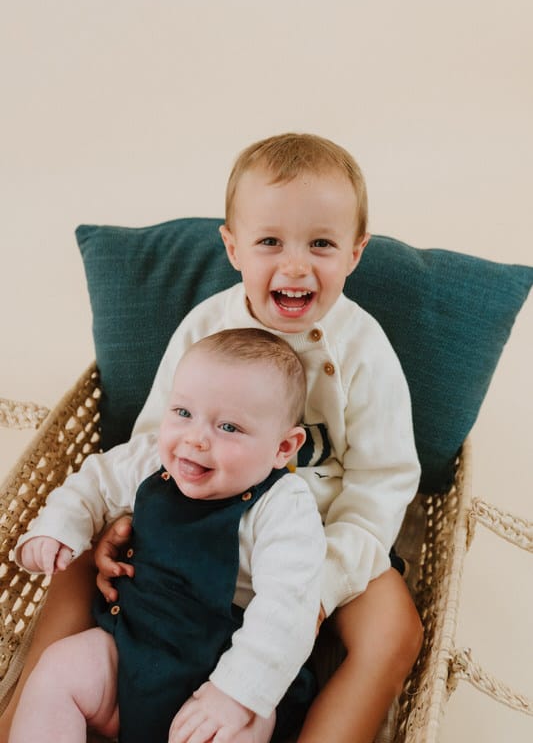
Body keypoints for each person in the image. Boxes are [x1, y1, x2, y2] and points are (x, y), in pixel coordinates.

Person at [2, 132, 424, 743]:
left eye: (322, 244)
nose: (296, 265)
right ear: (233, 247)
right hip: (198, 506)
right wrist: (127, 523)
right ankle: (24, 716)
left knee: (396, 629)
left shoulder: (365, 351)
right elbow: (158, 439)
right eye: (270, 242)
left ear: (356, 253)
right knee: (74, 558)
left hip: (328, 532)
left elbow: (382, 486)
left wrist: (320, 587)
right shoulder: (207, 327)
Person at [9, 329, 326, 743]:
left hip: (220, 668)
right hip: (129, 646)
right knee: (58, 670)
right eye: (182, 413)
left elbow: (288, 609)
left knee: (242, 728)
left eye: (228, 427)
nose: (195, 438)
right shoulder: (148, 459)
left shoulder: (284, 507)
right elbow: (91, 483)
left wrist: (233, 693)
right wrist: (56, 530)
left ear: (283, 447)